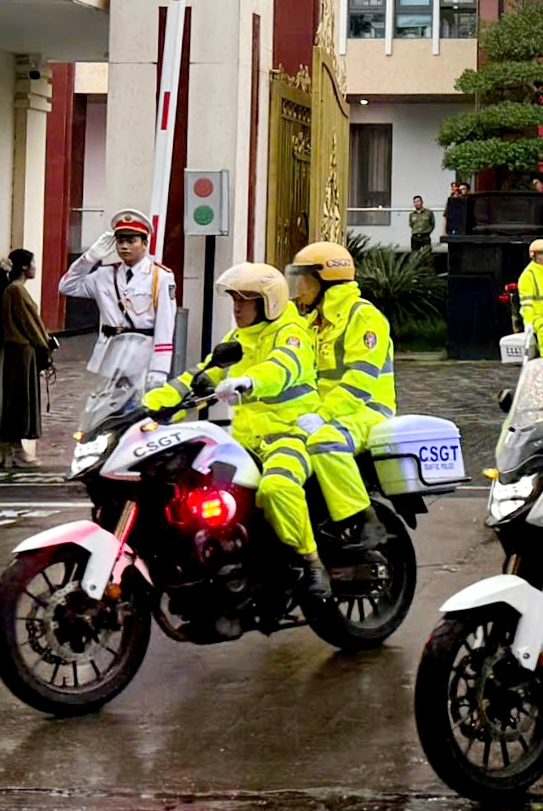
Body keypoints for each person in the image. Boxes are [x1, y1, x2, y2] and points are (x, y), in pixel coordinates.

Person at [145, 264, 331, 600]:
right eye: (234, 300)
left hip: (291, 435)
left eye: (245, 300)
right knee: (194, 489)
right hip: (246, 441)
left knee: (276, 488)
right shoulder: (236, 340)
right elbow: (199, 375)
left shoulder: (291, 332)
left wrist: (250, 381)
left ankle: (311, 561)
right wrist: (148, 404)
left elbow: (283, 366)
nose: (237, 307)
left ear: (268, 302)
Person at [285, 242, 382, 543]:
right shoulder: (313, 323)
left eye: (303, 279)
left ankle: (365, 519)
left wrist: (322, 415)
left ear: (324, 281)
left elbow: (360, 383)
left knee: (325, 441)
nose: (297, 287)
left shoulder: (363, 317)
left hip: (366, 411)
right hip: (323, 411)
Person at [58, 208, 176, 387]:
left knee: (139, 413)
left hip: (142, 359)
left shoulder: (160, 277)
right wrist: (89, 259)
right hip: (109, 358)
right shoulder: (104, 275)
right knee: (105, 411)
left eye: (131, 241)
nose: (124, 246)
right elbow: (67, 287)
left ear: (144, 243)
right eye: (120, 241)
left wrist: (160, 369)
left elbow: (165, 325)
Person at [0, 249, 54, 468]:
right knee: (20, 397)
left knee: (20, 397)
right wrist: (44, 344)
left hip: (21, 349)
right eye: (33, 263)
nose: (36, 266)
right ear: (25, 267)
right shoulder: (16, 291)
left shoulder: (14, 290)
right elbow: (30, 322)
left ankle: (14, 448)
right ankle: (15, 448)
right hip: (21, 350)